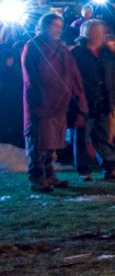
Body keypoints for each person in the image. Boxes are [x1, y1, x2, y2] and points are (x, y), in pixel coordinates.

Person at [22, 13, 88, 192]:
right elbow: (31, 77)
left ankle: (50, 174)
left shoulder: (61, 48)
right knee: (39, 141)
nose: (58, 29)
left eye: (60, 26)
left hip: (59, 103)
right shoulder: (33, 47)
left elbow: (72, 73)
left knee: (52, 141)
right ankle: (37, 177)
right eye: (54, 26)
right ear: (44, 27)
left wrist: (77, 96)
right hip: (41, 103)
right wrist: (39, 98)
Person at [69, 20, 115, 180]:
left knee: (103, 136)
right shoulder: (77, 53)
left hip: (103, 102)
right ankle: (84, 170)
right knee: (81, 137)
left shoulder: (107, 53)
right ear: (89, 34)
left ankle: (110, 167)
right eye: (99, 32)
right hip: (83, 102)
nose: (103, 35)